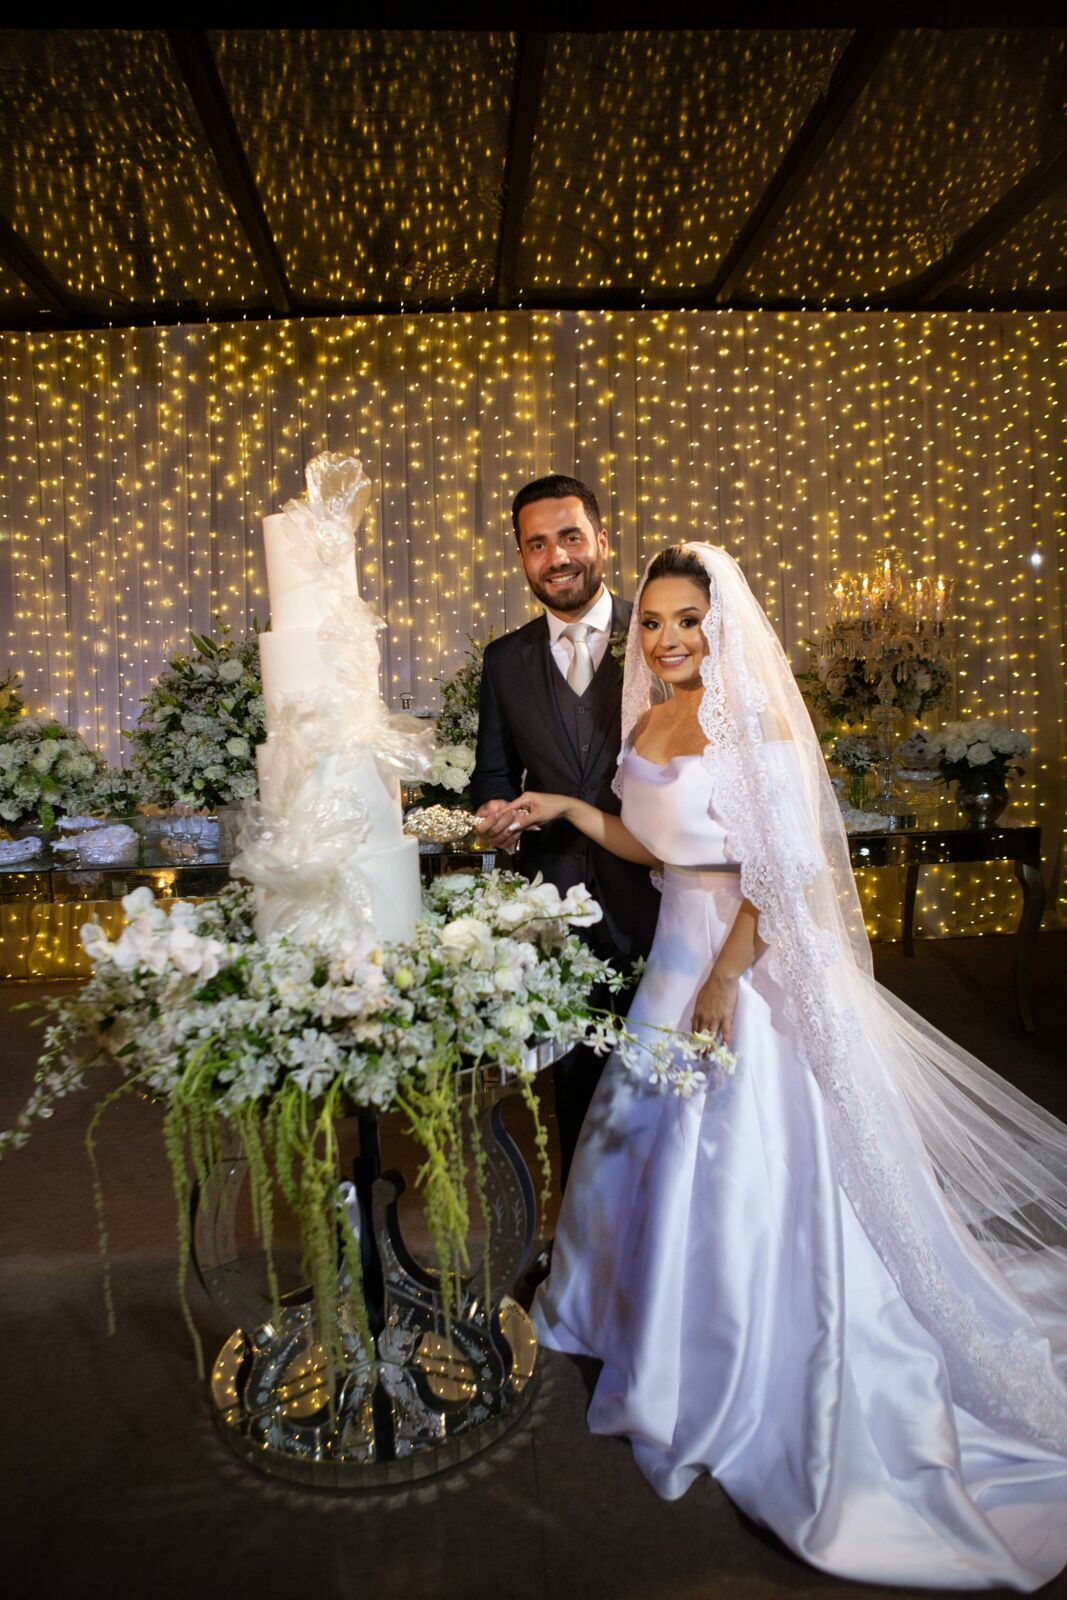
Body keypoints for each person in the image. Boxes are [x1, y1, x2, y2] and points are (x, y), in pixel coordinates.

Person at [495, 541, 1067, 1591]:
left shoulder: (752, 724)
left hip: (737, 975)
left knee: (739, 1173)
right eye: (655, 622)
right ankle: (638, 1328)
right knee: (640, 1153)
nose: (668, 639)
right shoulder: (650, 715)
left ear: (724, 624)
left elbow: (784, 866)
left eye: (687, 620)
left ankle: (733, 1368)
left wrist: (722, 978)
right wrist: (570, 810)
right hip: (670, 963)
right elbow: (651, 843)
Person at [471, 474, 660, 1189]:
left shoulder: (662, 635)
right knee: (577, 1092)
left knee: (670, 1084)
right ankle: (588, 1252)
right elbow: (494, 774)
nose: (557, 557)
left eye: (571, 536)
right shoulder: (504, 660)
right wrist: (496, 816)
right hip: (556, 910)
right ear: (521, 557)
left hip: (659, 898)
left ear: (602, 541)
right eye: (537, 544)